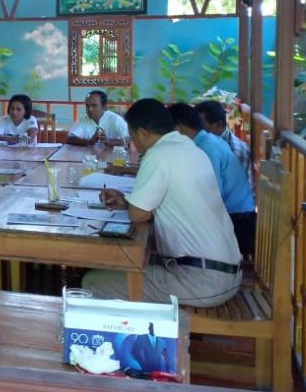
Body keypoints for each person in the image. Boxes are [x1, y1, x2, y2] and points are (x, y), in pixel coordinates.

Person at [82, 98, 242, 308]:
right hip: (227, 273)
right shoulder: (190, 148)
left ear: (143, 133)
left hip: (202, 281)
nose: (134, 144)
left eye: (132, 137)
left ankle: (137, 330)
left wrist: (132, 207)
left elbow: (138, 215)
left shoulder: (157, 154)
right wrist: (127, 202)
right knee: (133, 264)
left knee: (92, 282)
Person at [170, 102, 256, 258]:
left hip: (236, 223)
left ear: (180, 129)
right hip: (233, 217)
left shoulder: (206, 149)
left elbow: (210, 196)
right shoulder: (208, 140)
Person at [196, 100, 253, 186]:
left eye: (200, 125)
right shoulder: (206, 142)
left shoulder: (234, 152)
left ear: (219, 125)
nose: (195, 128)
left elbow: (228, 188)